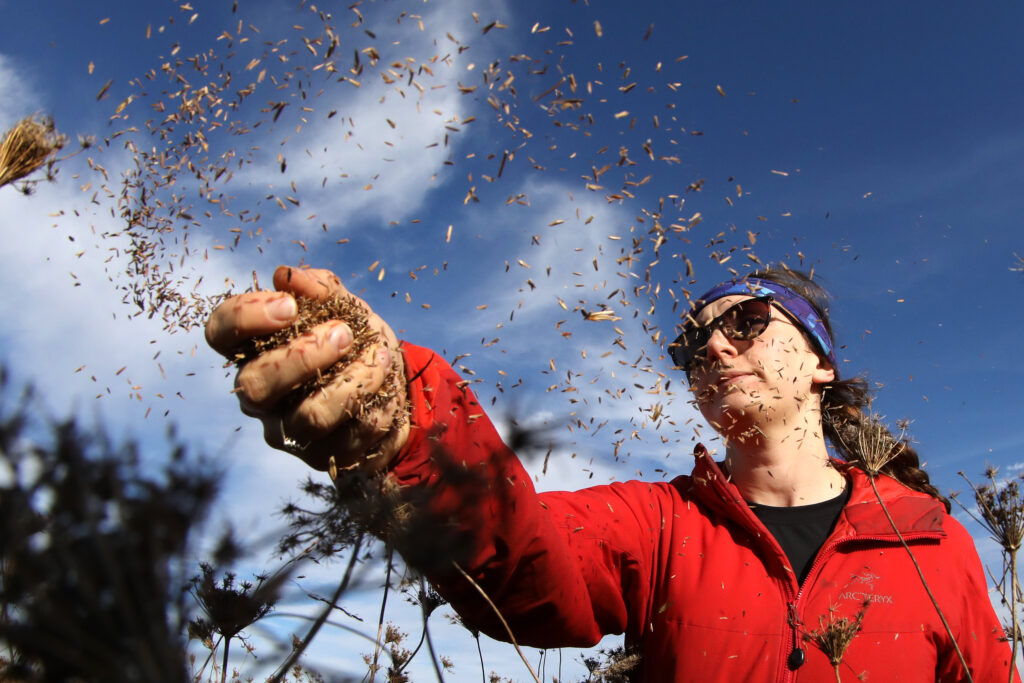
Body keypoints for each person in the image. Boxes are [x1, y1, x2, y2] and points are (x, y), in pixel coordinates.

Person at [205, 264, 1018, 682]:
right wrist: (409, 422)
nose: (714, 348)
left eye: (745, 320)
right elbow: (527, 567)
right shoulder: (661, 523)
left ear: (821, 364)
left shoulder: (928, 541)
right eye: (692, 344)